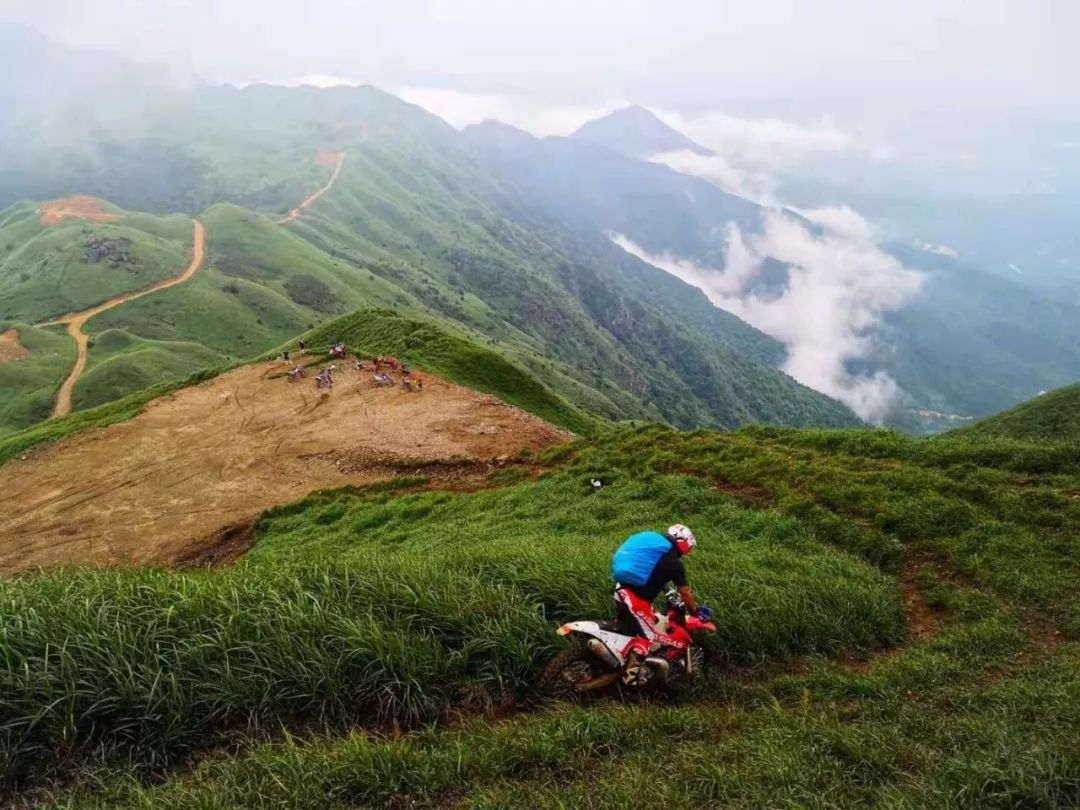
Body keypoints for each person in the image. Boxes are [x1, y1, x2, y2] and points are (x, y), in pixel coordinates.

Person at [610, 524, 703, 641]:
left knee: (632, 628)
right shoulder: (675, 563)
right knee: (649, 638)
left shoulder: (659, 550)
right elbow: (685, 593)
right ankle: (636, 658)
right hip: (636, 600)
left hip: (621, 588)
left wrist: (666, 588)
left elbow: (653, 571)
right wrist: (695, 611)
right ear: (684, 543)